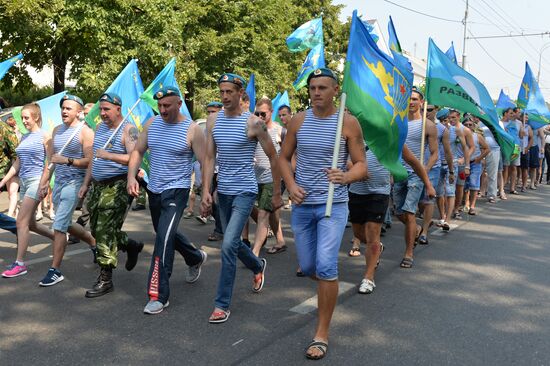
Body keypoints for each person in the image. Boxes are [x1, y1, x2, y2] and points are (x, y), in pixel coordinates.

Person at [279, 68, 366, 360]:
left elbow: (361, 165)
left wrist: (346, 176)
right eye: (313, 88)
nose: (316, 93)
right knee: (309, 266)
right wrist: (290, 185)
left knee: (327, 266)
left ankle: (321, 333)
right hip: (302, 206)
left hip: (333, 205)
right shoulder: (298, 121)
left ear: (335, 90)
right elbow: (283, 157)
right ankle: (327, 291)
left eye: (323, 88)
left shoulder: (348, 123)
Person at [201, 73, 282, 324]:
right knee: (232, 243)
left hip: (246, 191)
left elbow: (273, 157)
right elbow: (209, 158)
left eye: (229, 92)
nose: (224, 96)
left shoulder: (253, 124)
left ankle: (221, 304)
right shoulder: (213, 121)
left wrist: (278, 191)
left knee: (227, 246)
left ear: (240, 95)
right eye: (222, 92)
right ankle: (257, 266)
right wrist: (206, 190)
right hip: (222, 191)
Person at [128, 86, 208, 314]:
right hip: (154, 189)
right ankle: (195, 257)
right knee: (163, 232)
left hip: (178, 191)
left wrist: (206, 192)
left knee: (162, 240)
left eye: (167, 106)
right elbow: (137, 152)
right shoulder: (152, 124)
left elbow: (204, 162)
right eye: (160, 106)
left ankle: (158, 295)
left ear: (179, 104)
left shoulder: (192, 130)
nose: (162, 110)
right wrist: (130, 177)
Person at [80, 93, 144, 298]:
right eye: (101, 109)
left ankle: (105, 278)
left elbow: (135, 157)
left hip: (117, 185)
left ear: (118, 108)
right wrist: (85, 183)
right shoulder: (99, 129)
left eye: (107, 109)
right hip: (98, 186)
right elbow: (93, 160)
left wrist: (110, 155)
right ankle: (130, 245)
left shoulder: (128, 129)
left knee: (105, 230)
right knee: (97, 230)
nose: (103, 113)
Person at [37, 94, 97, 286]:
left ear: (79, 112)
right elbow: (52, 160)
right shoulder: (56, 130)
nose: (64, 111)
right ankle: (94, 242)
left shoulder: (85, 132)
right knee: (66, 224)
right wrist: (45, 182)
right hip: (60, 182)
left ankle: (55, 270)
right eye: (63, 108)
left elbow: (90, 161)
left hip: (75, 182)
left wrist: (69, 161)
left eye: (69, 108)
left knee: (59, 225)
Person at [0, 103, 55, 278]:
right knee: (30, 223)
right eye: (22, 118)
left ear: (36, 117)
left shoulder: (45, 136)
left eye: (27, 117)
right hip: (24, 182)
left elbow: (51, 162)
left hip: (36, 181)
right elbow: (18, 163)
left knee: (20, 222)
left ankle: (20, 263)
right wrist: (3, 181)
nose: (23, 121)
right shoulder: (24, 137)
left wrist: (44, 183)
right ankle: (59, 237)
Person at [393, 87, 438, 267]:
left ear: (421, 102)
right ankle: (418, 229)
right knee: (399, 212)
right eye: (408, 99)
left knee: (410, 212)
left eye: (414, 99)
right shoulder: (399, 122)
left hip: (416, 174)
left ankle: (408, 253)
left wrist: (424, 170)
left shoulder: (427, 125)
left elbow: (434, 153)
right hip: (398, 171)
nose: (411, 102)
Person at [251, 97, 286, 256]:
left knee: (264, 213)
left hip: (272, 178)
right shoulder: (253, 128)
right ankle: (279, 239)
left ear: (271, 112)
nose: (260, 116)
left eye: (263, 113)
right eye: (257, 113)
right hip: (253, 178)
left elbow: (287, 156)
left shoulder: (279, 131)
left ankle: (255, 251)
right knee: (267, 212)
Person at [462, 117, 489, 215]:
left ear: (474, 126)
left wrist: (480, 158)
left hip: (475, 163)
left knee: (474, 184)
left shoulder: (477, 136)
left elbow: (487, 149)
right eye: (466, 124)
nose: (468, 126)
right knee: (464, 184)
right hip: (463, 163)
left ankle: (472, 206)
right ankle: (466, 202)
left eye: (471, 124)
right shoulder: (460, 135)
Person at [0, 114, 19, 217]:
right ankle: (14, 211)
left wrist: (17, 165)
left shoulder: (5, 128)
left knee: (12, 191)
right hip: (7, 166)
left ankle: (10, 215)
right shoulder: (6, 128)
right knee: (11, 192)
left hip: (10, 165)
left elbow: (15, 150)